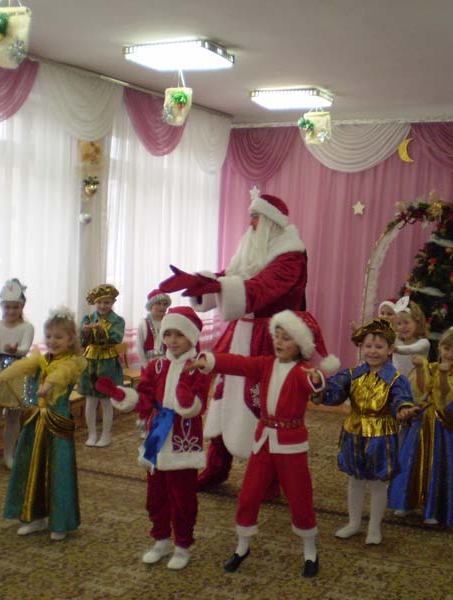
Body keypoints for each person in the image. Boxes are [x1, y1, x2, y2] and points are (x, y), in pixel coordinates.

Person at [159, 191, 308, 490]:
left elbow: (262, 287)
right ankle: (216, 467)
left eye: (256, 217)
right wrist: (202, 282)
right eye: (250, 217)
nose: (250, 223)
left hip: (271, 337)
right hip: (240, 332)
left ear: (271, 222)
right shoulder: (252, 249)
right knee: (223, 397)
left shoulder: (291, 256)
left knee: (265, 405)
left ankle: (269, 478)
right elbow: (232, 276)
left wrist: (216, 285)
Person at [187, 309, 339, 578]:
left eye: (287, 338)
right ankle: (242, 546)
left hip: (291, 446)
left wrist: (318, 381)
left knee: (300, 497)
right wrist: (209, 360)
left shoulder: (303, 371)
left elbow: (314, 385)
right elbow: (237, 363)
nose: (279, 342)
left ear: (300, 345)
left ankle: (309, 549)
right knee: (248, 494)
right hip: (263, 442)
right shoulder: (265, 364)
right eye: (277, 336)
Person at [98, 306, 210, 570]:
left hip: (183, 439)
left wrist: (186, 399)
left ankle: (182, 545)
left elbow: (198, 404)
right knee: (156, 495)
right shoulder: (157, 365)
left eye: (179, 335)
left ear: (192, 337)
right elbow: (146, 397)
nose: (172, 340)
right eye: (168, 334)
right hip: (156, 437)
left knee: (182, 497)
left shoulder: (199, 367)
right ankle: (160, 539)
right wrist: (123, 396)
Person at [0, 306, 87, 541]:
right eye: (49, 336)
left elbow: (61, 374)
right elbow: (22, 365)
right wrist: (0, 379)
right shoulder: (43, 359)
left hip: (57, 424)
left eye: (59, 337)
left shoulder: (72, 362)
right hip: (36, 422)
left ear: (71, 339)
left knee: (58, 470)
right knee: (32, 467)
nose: (52, 341)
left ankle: (60, 522)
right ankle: (35, 517)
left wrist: (48, 385)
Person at [320, 318, 415, 545]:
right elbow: (334, 390)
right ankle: (354, 523)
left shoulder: (395, 379)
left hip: (381, 437)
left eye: (379, 347)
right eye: (368, 346)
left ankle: (374, 528)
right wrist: (318, 389)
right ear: (361, 347)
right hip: (354, 433)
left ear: (390, 350)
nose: (373, 351)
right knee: (355, 479)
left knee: (378, 483)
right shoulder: (352, 374)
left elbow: (401, 398)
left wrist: (403, 410)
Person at [388, 326, 453, 528]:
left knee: (436, 464)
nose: (450, 354)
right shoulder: (431, 367)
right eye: (446, 348)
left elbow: (444, 394)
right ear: (440, 348)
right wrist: (419, 368)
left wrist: (443, 374)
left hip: (441, 428)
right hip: (420, 423)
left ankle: (433, 509)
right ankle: (407, 502)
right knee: (411, 460)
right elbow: (420, 390)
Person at [0, 278, 35, 469]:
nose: (11, 311)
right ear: (2, 306)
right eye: (7, 307)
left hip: (18, 373)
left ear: (22, 306)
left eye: (15, 307)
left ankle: (9, 454)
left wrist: (15, 350)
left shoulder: (27, 327)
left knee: (13, 417)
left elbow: (24, 349)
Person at [79, 283, 125, 447]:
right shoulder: (88, 319)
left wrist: (101, 330)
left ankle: (106, 435)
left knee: (106, 400)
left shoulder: (118, 321)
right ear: (94, 303)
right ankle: (92, 434)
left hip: (108, 363)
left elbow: (116, 338)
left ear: (113, 302)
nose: (103, 306)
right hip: (90, 362)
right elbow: (82, 342)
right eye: (99, 302)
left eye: (107, 302)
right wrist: (84, 332)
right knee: (90, 400)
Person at [391, 296, 429, 378]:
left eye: (406, 322)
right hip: (397, 383)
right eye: (399, 323)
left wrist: (396, 349)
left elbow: (411, 349)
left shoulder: (423, 343)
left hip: (416, 384)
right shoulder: (395, 339)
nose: (402, 327)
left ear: (417, 322)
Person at [137, 288, 171, 369]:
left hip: (167, 365)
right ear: (150, 305)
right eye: (158, 303)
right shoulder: (143, 323)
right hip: (149, 365)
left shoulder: (169, 322)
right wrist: (146, 367)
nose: (162, 307)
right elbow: (139, 348)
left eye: (165, 304)